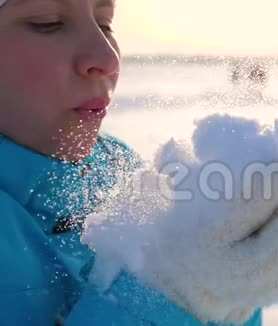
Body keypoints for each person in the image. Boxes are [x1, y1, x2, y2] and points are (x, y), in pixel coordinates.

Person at [0, 0, 262, 324]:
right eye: (48, 22)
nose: (107, 58)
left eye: (105, 22)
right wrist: (175, 290)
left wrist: (232, 278)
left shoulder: (114, 167)